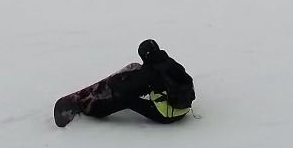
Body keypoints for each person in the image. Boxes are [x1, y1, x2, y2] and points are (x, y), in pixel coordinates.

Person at [54, 39, 195, 127]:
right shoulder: (170, 62)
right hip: (185, 109)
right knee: (144, 85)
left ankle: (95, 110)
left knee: (126, 98)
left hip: (167, 116)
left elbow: (124, 89)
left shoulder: (149, 73)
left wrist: (117, 81)